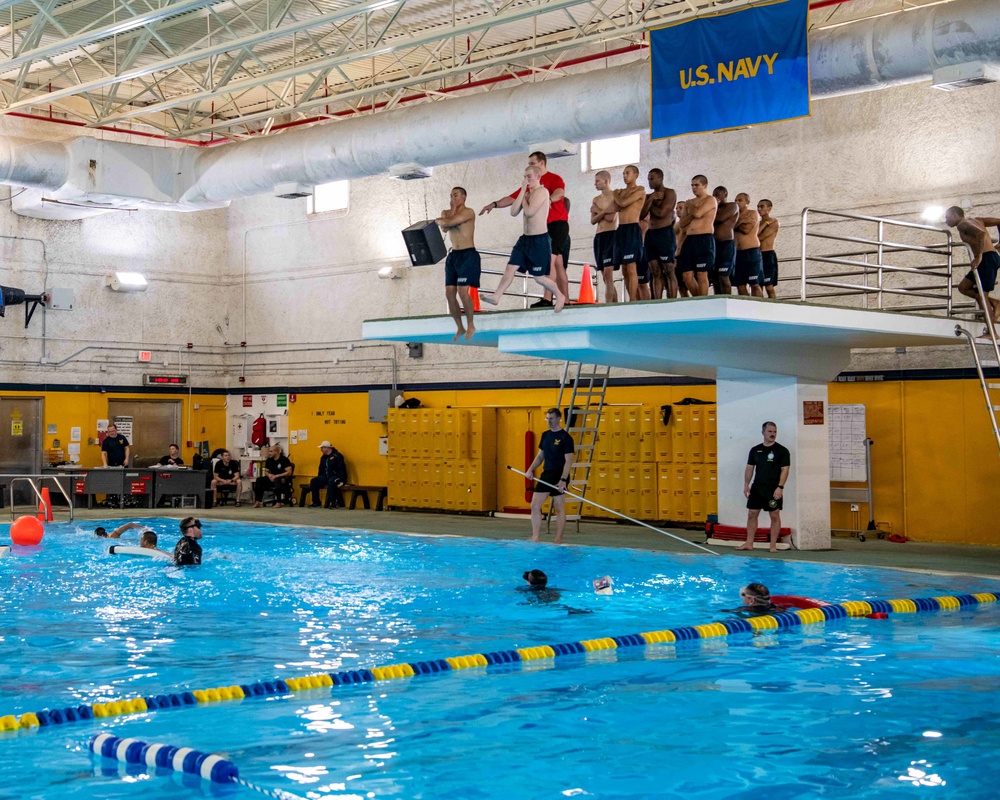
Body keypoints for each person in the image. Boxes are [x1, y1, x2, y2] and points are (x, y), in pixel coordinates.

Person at [481, 151, 569, 308]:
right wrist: (494, 204)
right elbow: (513, 208)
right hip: (525, 239)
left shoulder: (548, 184)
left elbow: (559, 193)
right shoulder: (527, 189)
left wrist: (547, 199)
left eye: (531, 165)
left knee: (545, 271)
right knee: (511, 267)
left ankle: (556, 297)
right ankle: (496, 296)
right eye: (525, 174)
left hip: (553, 227)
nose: (526, 177)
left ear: (540, 166)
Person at [945, 206, 1000, 330]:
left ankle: (992, 332)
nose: (946, 221)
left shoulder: (962, 225)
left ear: (955, 215)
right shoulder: (978, 220)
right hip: (990, 258)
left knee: (982, 296)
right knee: (963, 287)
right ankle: (996, 303)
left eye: (947, 217)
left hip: (986, 259)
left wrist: (979, 256)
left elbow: (980, 234)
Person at [436, 187, 480, 341]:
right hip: (453, 256)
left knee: (463, 291)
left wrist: (446, 216)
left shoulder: (469, 212)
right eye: (451, 195)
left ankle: (471, 324)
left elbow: (450, 222)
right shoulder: (446, 212)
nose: (452, 198)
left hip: (468, 254)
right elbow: (444, 228)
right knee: (449, 293)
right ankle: (460, 327)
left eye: (455, 195)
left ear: (464, 197)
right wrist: (450, 212)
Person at [740, 422, 791, 553]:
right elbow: (750, 468)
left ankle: (772, 546)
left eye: (774, 432)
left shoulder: (782, 451)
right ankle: (749, 543)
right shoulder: (755, 450)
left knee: (774, 515)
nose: (772, 434)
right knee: (752, 513)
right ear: (763, 432)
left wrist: (780, 487)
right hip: (757, 487)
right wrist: (746, 484)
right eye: (769, 431)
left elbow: (785, 470)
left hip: (773, 488)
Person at [528, 408, 575, 544]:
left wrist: (563, 480)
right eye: (547, 418)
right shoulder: (545, 435)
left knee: (559, 507)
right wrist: (530, 469)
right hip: (547, 474)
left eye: (551, 418)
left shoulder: (566, 438)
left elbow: (568, 461)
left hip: (560, 475)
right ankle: (535, 536)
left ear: (559, 418)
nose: (549, 421)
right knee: (535, 505)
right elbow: (540, 455)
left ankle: (558, 539)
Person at [609, 165, 647, 302]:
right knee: (624, 269)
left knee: (631, 266)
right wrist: (618, 197)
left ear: (636, 175)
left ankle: (632, 300)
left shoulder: (640, 190)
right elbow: (615, 207)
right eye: (623, 173)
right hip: (621, 229)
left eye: (628, 173)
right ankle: (633, 297)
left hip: (632, 228)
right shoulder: (622, 192)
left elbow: (623, 203)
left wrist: (615, 194)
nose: (625, 176)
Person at [677, 175, 718, 296]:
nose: (694, 188)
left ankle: (702, 301)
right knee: (686, 275)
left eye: (696, 185)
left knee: (701, 273)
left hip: (704, 238)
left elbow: (699, 213)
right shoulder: (690, 202)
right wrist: (691, 213)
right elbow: (682, 223)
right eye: (692, 185)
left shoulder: (710, 200)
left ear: (704, 186)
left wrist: (690, 207)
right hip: (690, 239)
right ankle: (698, 299)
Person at [641, 168, 678, 299]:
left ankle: (672, 301)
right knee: (655, 271)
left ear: (660, 178)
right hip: (651, 235)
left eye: (652, 179)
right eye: (648, 179)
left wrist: (650, 204)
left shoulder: (670, 193)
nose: (649, 182)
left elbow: (662, 213)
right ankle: (656, 301)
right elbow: (641, 215)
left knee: (669, 269)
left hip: (665, 234)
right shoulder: (649, 196)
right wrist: (651, 199)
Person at [590, 170, 618, 303]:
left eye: (597, 181)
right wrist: (605, 211)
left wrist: (599, 211)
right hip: (599, 237)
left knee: (608, 274)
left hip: (611, 235)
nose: (595, 184)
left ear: (606, 181)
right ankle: (615, 304)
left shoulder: (615, 196)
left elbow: (611, 218)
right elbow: (593, 220)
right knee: (605, 277)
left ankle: (608, 305)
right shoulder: (596, 199)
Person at [733, 193, 764, 297]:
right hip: (738, 253)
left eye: (740, 200)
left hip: (751, 251)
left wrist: (735, 225)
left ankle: (758, 307)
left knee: (754, 283)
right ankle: (745, 308)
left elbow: (746, 230)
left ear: (747, 202)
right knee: (740, 284)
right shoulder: (735, 215)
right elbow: (730, 226)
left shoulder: (753, 213)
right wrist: (741, 221)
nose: (737, 202)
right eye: (736, 200)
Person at [712, 186, 739, 295]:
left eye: (718, 195)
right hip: (714, 245)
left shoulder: (732, 206)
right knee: (715, 277)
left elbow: (720, 218)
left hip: (726, 244)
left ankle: (727, 299)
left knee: (724, 275)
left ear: (725, 195)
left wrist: (713, 207)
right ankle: (717, 300)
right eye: (714, 195)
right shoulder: (713, 208)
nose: (715, 197)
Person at [309, 441, 348, 508]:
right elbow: (320, 469)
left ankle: (334, 502)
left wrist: (342, 480)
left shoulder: (337, 456)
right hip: (326, 477)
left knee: (331, 481)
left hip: (336, 476)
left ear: (327, 448)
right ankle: (316, 502)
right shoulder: (323, 457)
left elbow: (342, 468)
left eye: (322, 448)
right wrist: (319, 478)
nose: (321, 449)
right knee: (314, 481)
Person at [758, 199, 781, 298]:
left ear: (769, 208)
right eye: (758, 206)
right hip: (758, 255)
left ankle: (773, 307)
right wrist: (765, 223)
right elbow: (755, 235)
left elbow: (760, 237)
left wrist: (766, 223)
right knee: (758, 285)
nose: (759, 209)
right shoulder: (761, 223)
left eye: (762, 206)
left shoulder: (774, 222)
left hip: (768, 254)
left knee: (769, 286)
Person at [674, 201, 690, 298]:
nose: (678, 210)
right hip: (677, 256)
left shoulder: (691, 224)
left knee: (689, 280)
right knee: (681, 286)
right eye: (676, 208)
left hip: (687, 255)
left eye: (681, 208)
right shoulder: (676, 225)